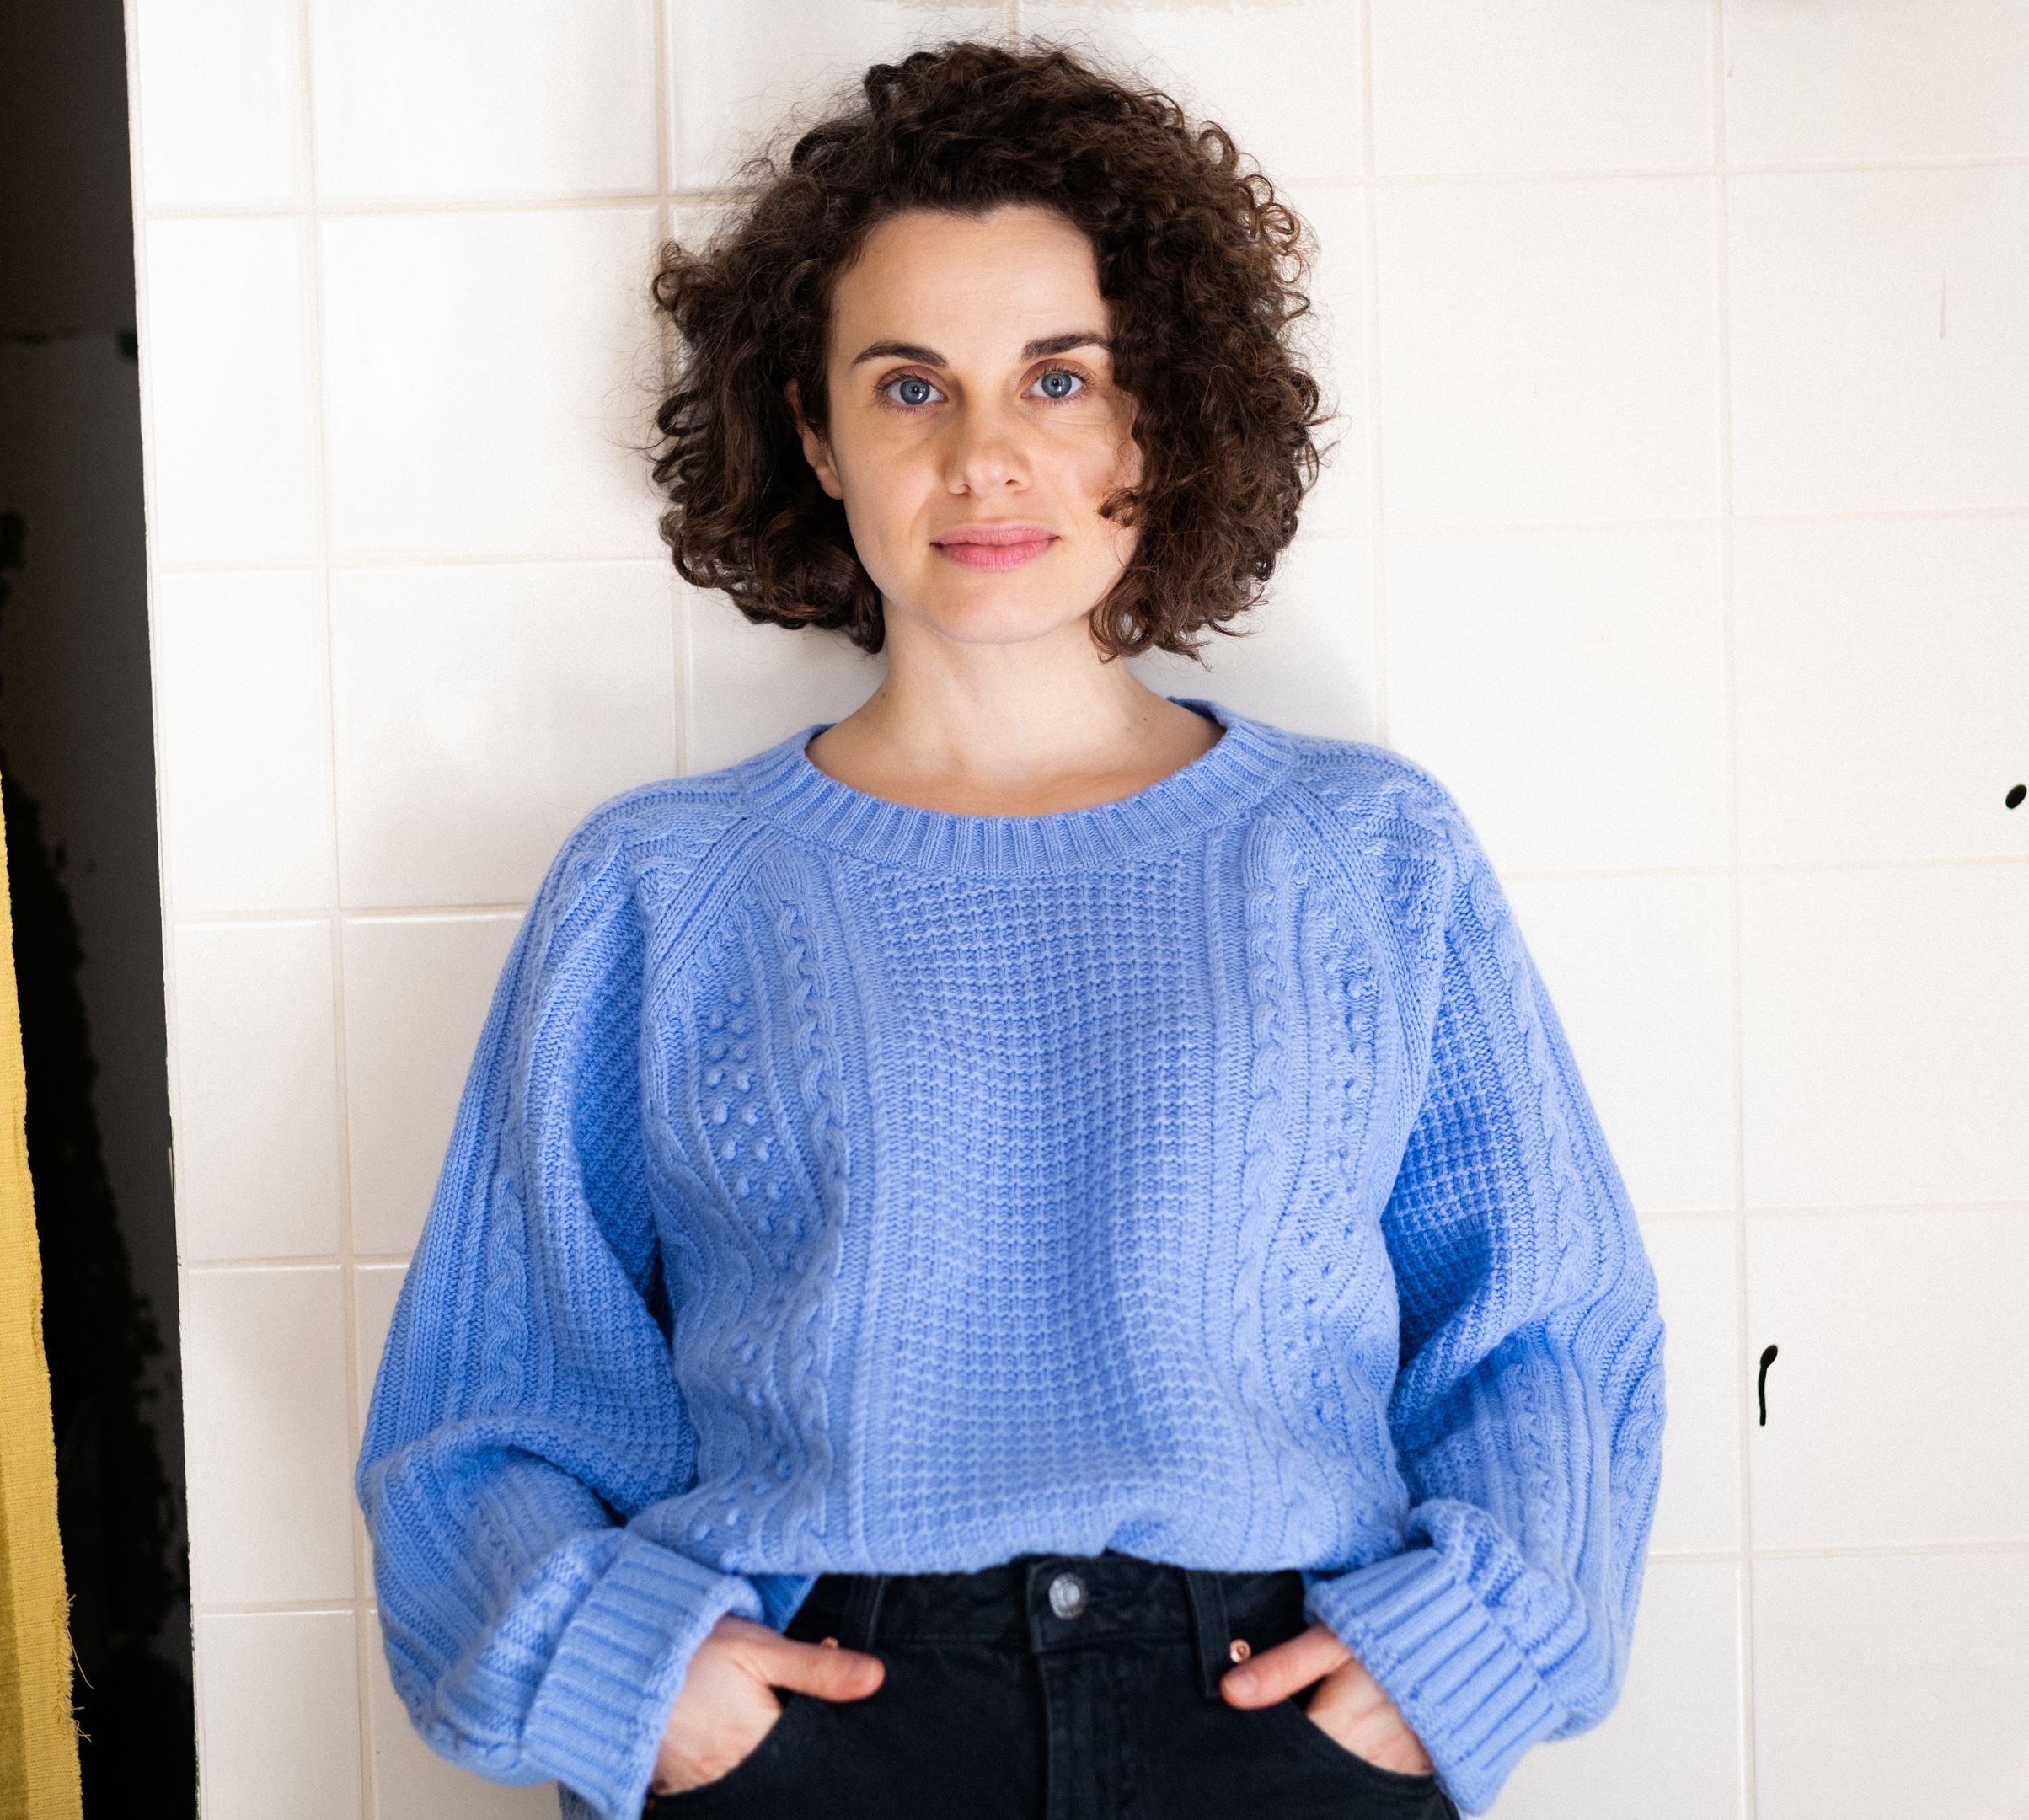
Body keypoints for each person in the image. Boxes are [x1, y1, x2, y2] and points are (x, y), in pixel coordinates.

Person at [355, 39, 1663, 1820]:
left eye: (1060, 379)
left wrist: (1457, 1658)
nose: (985, 457)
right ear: (814, 436)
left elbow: (1550, 1332)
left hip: (1283, 1713)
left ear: (1155, 420)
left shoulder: (1365, 853)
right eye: (911, 388)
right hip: (804, 1728)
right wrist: (636, 1684)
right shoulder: (662, 886)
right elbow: (484, 1405)